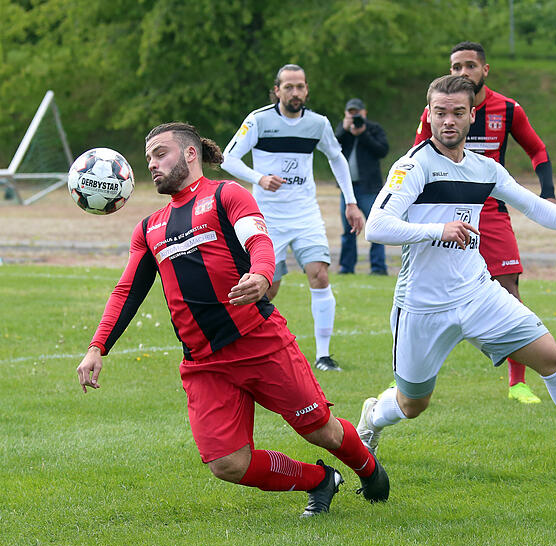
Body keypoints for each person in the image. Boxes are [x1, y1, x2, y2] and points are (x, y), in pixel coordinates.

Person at [75, 122, 388, 517]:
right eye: (148, 157)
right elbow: (127, 291)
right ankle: (320, 481)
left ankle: (368, 467)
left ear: (190, 154)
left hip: (261, 343)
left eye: (160, 153)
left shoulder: (227, 194)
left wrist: (261, 273)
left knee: (318, 429)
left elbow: (258, 240)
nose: (151, 165)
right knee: (228, 464)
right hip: (205, 364)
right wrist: (96, 347)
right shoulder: (149, 228)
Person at [358, 75, 556, 475]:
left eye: (458, 113)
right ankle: (374, 416)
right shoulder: (413, 166)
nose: (448, 121)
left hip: (479, 294)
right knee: (413, 405)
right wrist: (436, 229)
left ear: (471, 115)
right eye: (440, 113)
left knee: (553, 359)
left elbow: (533, 206)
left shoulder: (485, 168)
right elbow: (377, 226)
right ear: (428, 115)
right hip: (423, 305)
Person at [413, 41, 555, 404]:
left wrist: (548, 191)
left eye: (470, 66)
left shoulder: (507, 109)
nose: (463, 73)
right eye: (456, 67)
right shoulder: (438, 111)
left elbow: (537, 149)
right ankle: (420, 371)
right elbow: (415, 154)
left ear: (484, 70)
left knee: (509, 285)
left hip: (491, 209)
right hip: (445, 209)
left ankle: (517, 381)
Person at [221, 64, 365, 372]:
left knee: (320, 274)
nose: (295, 92)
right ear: (277, 91)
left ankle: (324, 357)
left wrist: (351, 203)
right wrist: (259, 178)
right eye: (288, 87)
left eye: (300, 86)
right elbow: (227, 159)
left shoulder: (318, 124)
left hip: (305, 215)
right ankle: (251, 349)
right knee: (267, 288)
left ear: (306, 90)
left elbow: (337, 159)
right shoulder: (258, 120)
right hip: (267, 219)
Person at [335, 97, 390, 275]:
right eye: (351, 113)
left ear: (364, 113)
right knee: (348, 229)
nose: (355, 116)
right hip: (347, 188)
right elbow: (332, 147)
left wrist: (364, 133)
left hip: (369, 187)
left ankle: (378, 267)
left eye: (357, 113)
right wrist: (345, 130)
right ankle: (346, 267)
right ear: (346, 115)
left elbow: (382, 150)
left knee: (376, 226)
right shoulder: (343, 131)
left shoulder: (373, 129)